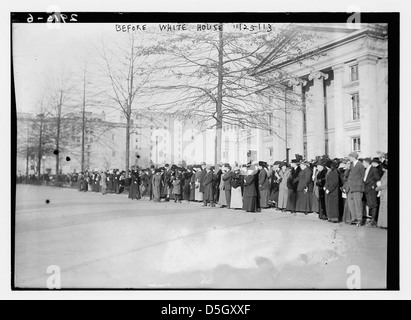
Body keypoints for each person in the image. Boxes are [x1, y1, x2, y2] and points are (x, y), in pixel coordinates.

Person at [345, 152, 365, 226]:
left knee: (358, 204)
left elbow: (363, 177)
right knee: (351, 204)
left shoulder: (360, 165)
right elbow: (345, 175)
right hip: (350, 188)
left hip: (357, 188)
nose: (349, 158)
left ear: (354, 157)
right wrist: (347, 168)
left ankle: (359, 219)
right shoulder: (351, 165)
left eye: (350, 157)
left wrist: (361, 186)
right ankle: (354, 218)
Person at [363, 157, 381, 227]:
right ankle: (371, 219)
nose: (363, 164)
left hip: (371, 189)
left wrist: (378, 190)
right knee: (370, 204)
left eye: (364, 163)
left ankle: (373, 220)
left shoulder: (374, 169)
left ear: (367, 163)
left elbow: (378, 179)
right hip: (367, 189)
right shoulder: (366, 169)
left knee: (373, 204)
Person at [376, 161, 388, 228]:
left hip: (385, 192)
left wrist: (377, 188)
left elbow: (384, 185)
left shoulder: (386, 174)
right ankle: (383, 223)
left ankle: (384, 224)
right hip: (384, 191)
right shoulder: (385, 173)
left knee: (384, 207)